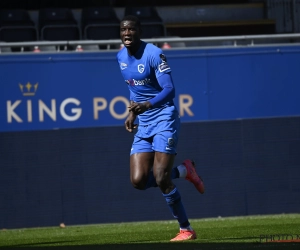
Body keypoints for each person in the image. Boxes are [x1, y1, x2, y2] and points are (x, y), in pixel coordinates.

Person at [116, 15, 205, 242]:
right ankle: (185, 171)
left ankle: (186, 229)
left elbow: (169, 89)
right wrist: (132, 112)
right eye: (123, 30)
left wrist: (147, 105)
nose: (127, 34)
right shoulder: (120, 57)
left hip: (164, 117)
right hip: (144, 122)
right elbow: (134, 90)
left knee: (161, 177)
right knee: (138, 180)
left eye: (131, 30)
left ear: (139, 31)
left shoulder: (154, 54)